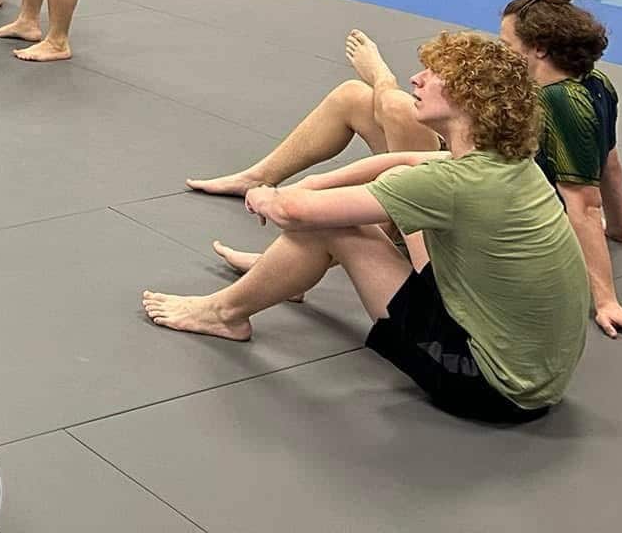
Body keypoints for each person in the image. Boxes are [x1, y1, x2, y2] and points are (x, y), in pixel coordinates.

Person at [144, 30, 589, 423]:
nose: (416, 79)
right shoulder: (505, 160)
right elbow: (409, 158)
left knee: (331, 226)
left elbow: (294, 214)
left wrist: (266, 194)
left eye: (431, 73)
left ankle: (224, 313)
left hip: (490, 386)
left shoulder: (454, 183)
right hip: (536, 374)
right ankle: (281, 276)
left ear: (465, 99)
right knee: (380, 192)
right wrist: (317, 180)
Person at [186, 0, 622, 346]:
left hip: (481, 223)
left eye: (506, 41)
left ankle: (248, 292)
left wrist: (605, 299)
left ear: (537, 49)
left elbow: (584, 203)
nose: (500, 49)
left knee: (388, 113)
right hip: (482, 195)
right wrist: (620, 230)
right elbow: (611, 162)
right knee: (358, 101)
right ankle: (267, 203)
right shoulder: (590, 85)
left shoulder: (556, 103)